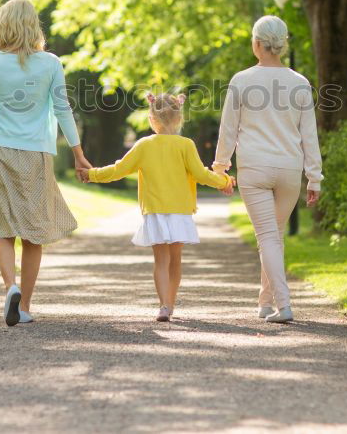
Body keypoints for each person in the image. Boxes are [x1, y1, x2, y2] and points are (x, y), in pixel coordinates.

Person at [0, 0, 92, 327]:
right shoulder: (50, 63)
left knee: (3, 228)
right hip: (37, 154)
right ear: (34, 25)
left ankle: (10, 288)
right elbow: (63, 110)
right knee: (34, 235)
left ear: (2, 24)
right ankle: (25, 306)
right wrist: (78, 154)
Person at [78, 92, 232, 322]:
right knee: (176, 260)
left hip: (155, 211)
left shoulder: (144, 145)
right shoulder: (186, 145)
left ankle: (163, 306)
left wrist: (91, 174)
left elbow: (118, 169)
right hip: (180, 211)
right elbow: (201, 174)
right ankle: (170, 304)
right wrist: (225, 182)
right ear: (180, 119)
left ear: (151, 119)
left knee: (161, 261)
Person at [213, 15, 322, 324]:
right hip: (290, 170)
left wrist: (221, 167)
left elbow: (228, 131)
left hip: (255, 169)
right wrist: (314, 177)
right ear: (282, 44)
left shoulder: (241, 80)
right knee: (273, 235)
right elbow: (309, 136)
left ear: (257, 43)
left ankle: (284, 305)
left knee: (268, 236)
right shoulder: (300, 83)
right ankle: (264, 301)